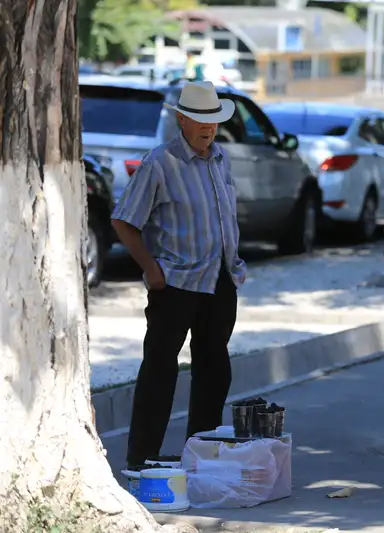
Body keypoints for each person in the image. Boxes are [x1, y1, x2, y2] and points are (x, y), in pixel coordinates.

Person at [111, 81, 247, 467]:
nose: (208, 128)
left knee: (214, 369)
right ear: (183, 120)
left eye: (214, 121)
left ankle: (200, 455)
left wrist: (234, 266)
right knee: (159, 370)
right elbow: (124, 221)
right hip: (175, 283)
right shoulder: (160, 162)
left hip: (219, 280)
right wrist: (151, 269)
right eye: (200, 121)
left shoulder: (221, 158)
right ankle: (141, 460)